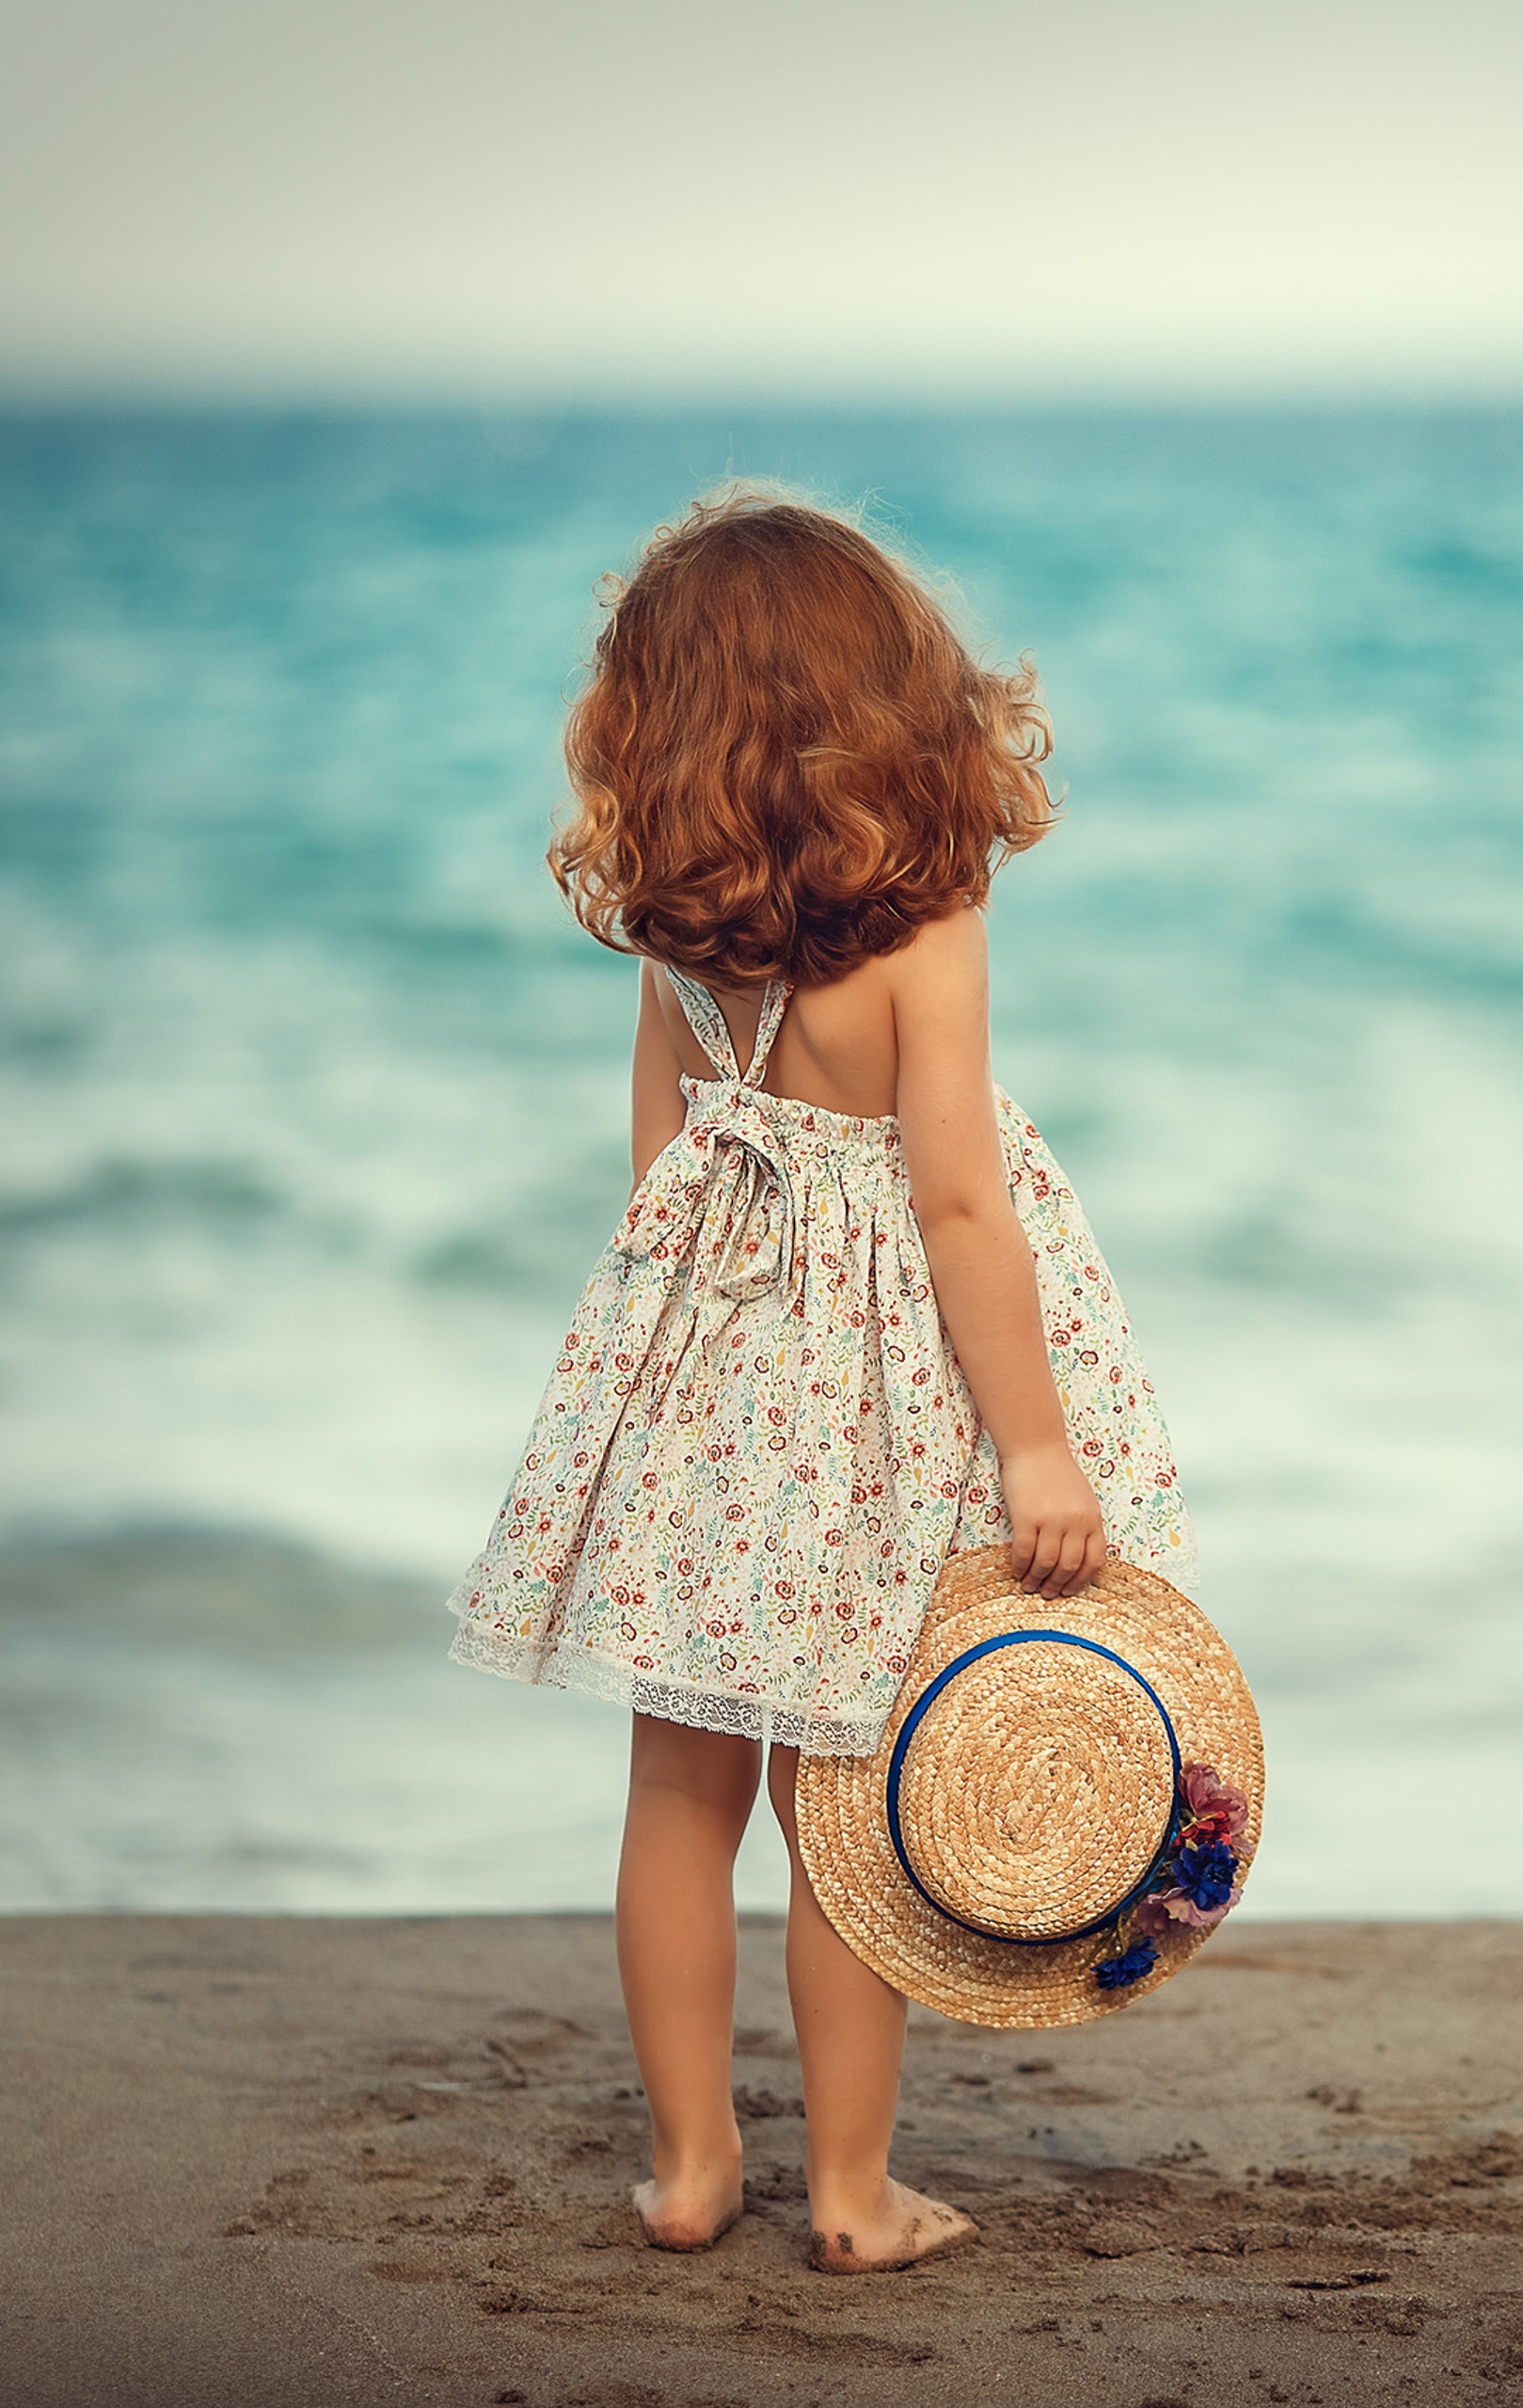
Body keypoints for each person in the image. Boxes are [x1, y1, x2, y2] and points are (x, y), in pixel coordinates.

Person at [444, 488, 1195, 2272]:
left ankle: (694, 2168)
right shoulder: (925, 927)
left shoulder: (677, 932)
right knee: (844, 1817)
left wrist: (675, 1393)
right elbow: (956, 1207)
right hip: (867, 1418)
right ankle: (849, 2196)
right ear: (884, 698)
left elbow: (662, 1180)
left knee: (674, 1803)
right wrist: (1036, 1450)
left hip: (708, 1397)